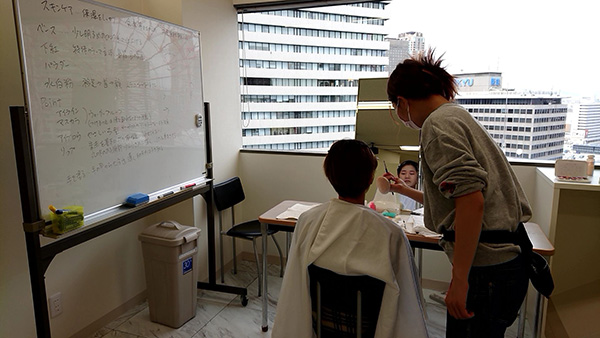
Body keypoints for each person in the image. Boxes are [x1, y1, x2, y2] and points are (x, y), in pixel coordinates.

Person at [384, 50, 532, 338]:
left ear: (401, 102)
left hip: (488, 268)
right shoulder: (456, 115)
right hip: (507, 261)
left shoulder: (437, 126)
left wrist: (460, 279)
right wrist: (404, 190)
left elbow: (471, 203)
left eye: (396, 109)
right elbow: (457, 199)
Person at [272, 139, 428, 338]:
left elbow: (295, 287)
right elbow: (409, 308)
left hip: (321, 328)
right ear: (371, 178)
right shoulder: (391, 233)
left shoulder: (308, 221)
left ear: (329, 175)